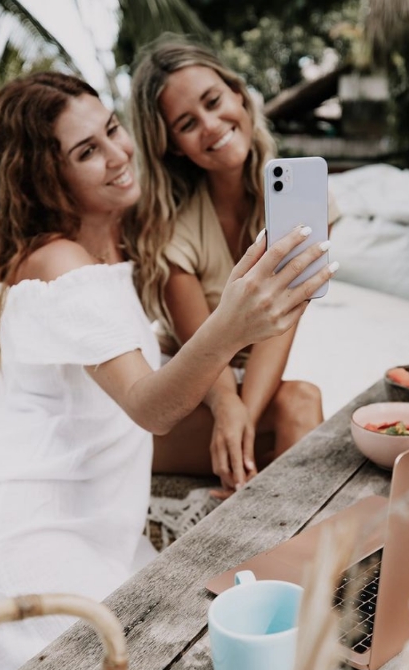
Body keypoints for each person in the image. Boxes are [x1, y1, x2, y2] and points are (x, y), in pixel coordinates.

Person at [0, 71, 337, 670]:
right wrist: (231, 324)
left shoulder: (118, 243)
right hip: (40, 530)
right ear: (46, 178)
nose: (117, 154)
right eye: (87, 151)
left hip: (101, 515)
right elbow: (149, 408)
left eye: (112, 129)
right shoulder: (58, 263)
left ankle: (308, 588)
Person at [129, 36, 340, 497]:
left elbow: (281, 324)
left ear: (239, 96)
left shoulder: (303, 200)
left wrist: (243, 414)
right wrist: (228, 405)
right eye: (187, 123)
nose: (211, 126)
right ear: (173, 146)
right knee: (299, 409)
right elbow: (203, 344)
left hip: (254, 385)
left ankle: (292, 535)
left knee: (302, 402)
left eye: (213, 101)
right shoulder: (170, 229)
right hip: (190, 385)